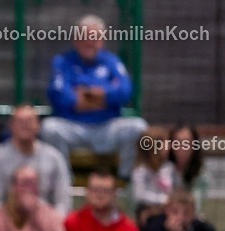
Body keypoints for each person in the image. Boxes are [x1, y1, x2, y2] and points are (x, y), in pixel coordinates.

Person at [41, 14, 147, 179]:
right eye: (85, 37)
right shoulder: (62, 62)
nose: (89, 42)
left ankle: (126, 180)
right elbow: (59, 95)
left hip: (107, 127)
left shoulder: (112, 61)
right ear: (75, 39)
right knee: (50, 128)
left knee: (137, 127)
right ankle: (62, 183)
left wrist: (91, 96)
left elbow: (126, 91)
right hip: (73, 126)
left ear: (102, 40)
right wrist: (102, 99)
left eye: (95, 37)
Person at [0, 105, 71, 216]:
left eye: (29, 121)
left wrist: (53, 225)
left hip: (45, 224)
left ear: (38, 125)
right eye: (20, 121)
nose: (25, 125)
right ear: (11, 126)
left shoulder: (54, 158)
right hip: (9, 223)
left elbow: (63, 201)